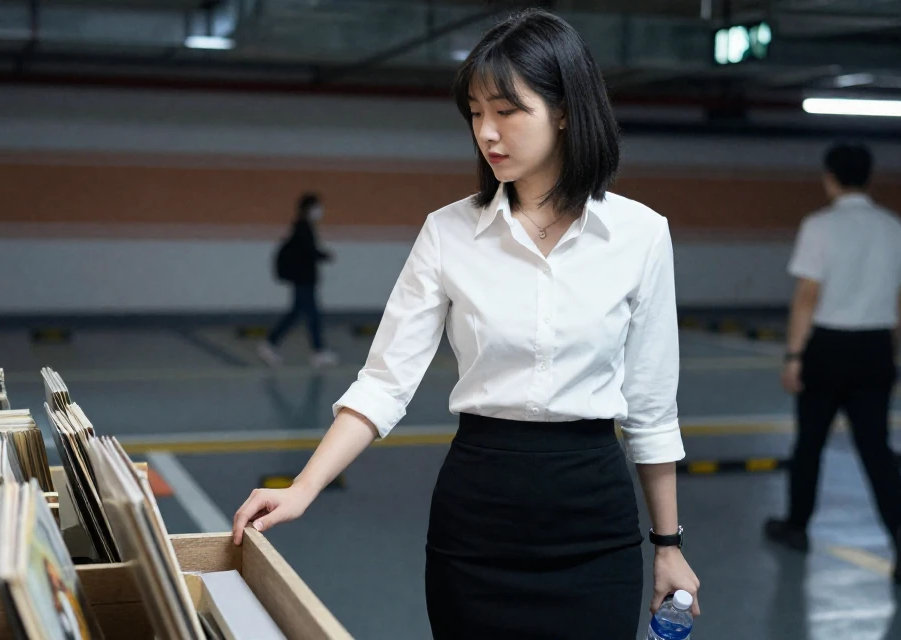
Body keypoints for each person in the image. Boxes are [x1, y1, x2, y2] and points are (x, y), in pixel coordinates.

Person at [233, 9, 699, 638]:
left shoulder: (640, 235)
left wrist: (667, 543)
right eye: (475, 113)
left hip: (593, 521)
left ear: (564, 110)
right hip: (478, 518)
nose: (487, 132)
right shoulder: (448, 232)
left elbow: (650, 406)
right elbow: (385, 382)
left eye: (506, 110)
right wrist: (303, 487)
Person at [765, 141, 901, 585]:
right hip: (876, 347)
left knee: (810, 443)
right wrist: (892, 349)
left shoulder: (820, 226)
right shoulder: (894, 227)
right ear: (868, 178)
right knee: (877, 450)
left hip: (829, 348)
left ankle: (797, 527)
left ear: (830, 178)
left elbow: (808, 296)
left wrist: (794, 354)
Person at [259, 193, 340, 368]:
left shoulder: (302, 226)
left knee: (301, 313)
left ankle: (272, 344)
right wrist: (326, 255)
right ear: (309, 208)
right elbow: (309, 251)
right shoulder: (303, 227)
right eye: (317, 207)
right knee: (311, 315)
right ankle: (316, 351)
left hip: (304, 279)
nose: (320, 211)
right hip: (304, 279)